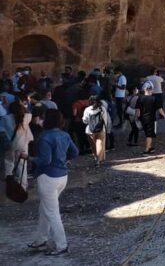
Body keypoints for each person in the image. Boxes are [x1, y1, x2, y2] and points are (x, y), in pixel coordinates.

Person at [28, 109, 78, 256]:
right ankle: (41, 239)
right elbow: (75, 152)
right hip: (62, 176)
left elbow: (44, 160)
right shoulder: (65, 135)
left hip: (47, 177)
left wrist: (29, 158)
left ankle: (61, 245)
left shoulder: (44, 137)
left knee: (51, 212)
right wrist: (64, 160)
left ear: (47, 120)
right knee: (45, 209)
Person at [4, 102, 33, 187]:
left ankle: (9, 182)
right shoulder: (27, 117)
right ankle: (23, 185)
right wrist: (23, 106)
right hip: (23, 144)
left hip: (10, 143)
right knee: (22, 164)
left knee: (9, 162)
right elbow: (28, 111)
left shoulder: (6, 118)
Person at [135, 82, 165, 155]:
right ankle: (146, 150)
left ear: (144, 89)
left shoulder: (140, 98)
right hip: (151, 119)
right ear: (151, 89)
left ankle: (150, 147)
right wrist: (164, 115)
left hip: (143, 119)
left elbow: (138, 110)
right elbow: (160, 109)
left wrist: (136, 118)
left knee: (147, 134)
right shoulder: (154, 98)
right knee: (149, 135)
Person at [82, 96, 110, 168]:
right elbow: (105, 120)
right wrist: (106, 128)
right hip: (100, 129)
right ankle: (98, 161)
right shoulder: (102, 108)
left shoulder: (87, 109)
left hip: (90, 130)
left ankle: (96, 158)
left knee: (93, 146)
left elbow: (85, 121)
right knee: (99, 144)